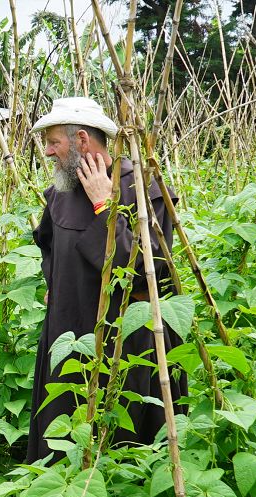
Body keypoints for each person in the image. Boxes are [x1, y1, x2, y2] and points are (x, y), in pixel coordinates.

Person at [27, 97, 188, 464]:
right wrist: (53, 280)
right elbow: (47, 243)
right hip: (68, 325)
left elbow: (150, 269)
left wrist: (105, 207)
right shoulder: (60, 192)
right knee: (65, 415)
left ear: (82, 139)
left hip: (124, 338)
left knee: (123, 426)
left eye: (54, 142)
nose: (49, 152)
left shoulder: (144, 190)